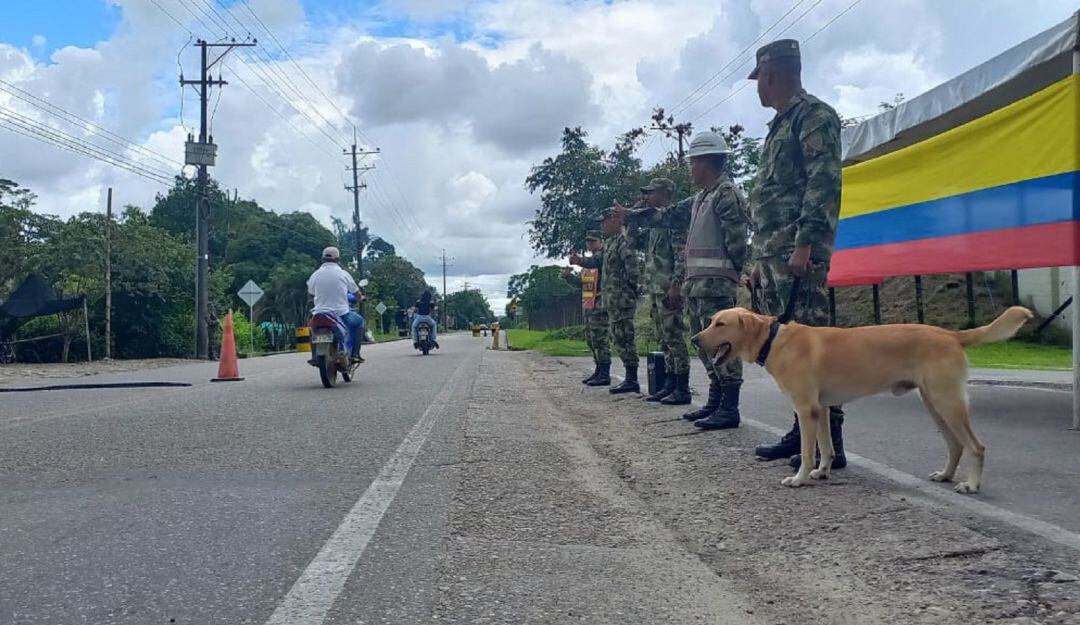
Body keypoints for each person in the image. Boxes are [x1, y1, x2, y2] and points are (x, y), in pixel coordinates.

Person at [745, 39, 847, 469]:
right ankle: (802, 432)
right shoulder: (780, 125)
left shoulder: (814, 116)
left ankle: (831, 444)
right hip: (775, 255)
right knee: (788, 352)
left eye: (759, 79)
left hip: (797, 253)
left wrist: (806, 242)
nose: (758, 88)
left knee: (812, 349)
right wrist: (758, 259)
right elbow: (771, 196)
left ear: (770, 75)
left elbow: (823, 183)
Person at [629, 178, 691, 405]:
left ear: (665, 192)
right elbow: (632, 241)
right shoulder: (654, 227)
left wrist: (677, 285)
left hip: (668, 289)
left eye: (651, 192)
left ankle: (682, 387)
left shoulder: (673, 222)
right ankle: (670, 383)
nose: (647, 196)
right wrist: (634, 214)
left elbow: (681, 256)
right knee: (664, 339)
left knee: (674, 338)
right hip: (655, 289)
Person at [597, 206, 640, 394]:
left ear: (614, 220)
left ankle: (632, 378)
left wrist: (630, 291)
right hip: (613, 300)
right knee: (618, 338)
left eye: (604, 221)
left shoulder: (623, 241)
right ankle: (629, 376)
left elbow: (632, 270)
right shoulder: (610, 243)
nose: (602, 225)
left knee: (625, 337)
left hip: (622, 299)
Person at [565, 230, 611, 385]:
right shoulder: (589, 263)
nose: (590, 244)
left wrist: (579, 260)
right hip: (589, 303)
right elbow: (583, 283)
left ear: (601, 241)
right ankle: (599, 369)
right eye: (588, 242)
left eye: (593, 241)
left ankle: (605, 372)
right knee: (591, 339)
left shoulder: (603, 257)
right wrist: (569, 277)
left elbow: (594, 262)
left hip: (600, 302)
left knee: (600, 339)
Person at [306, 246, 365, 361]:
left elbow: (311, 293)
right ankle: (355, 354)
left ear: (322, 259)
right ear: (338, 259)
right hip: (341, 313)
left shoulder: (315, 275)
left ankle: (314, 356)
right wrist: (361, 298)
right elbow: (356, 293)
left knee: (312, 329)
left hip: (320, 312)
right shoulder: (344, 274)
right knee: (359, 322)